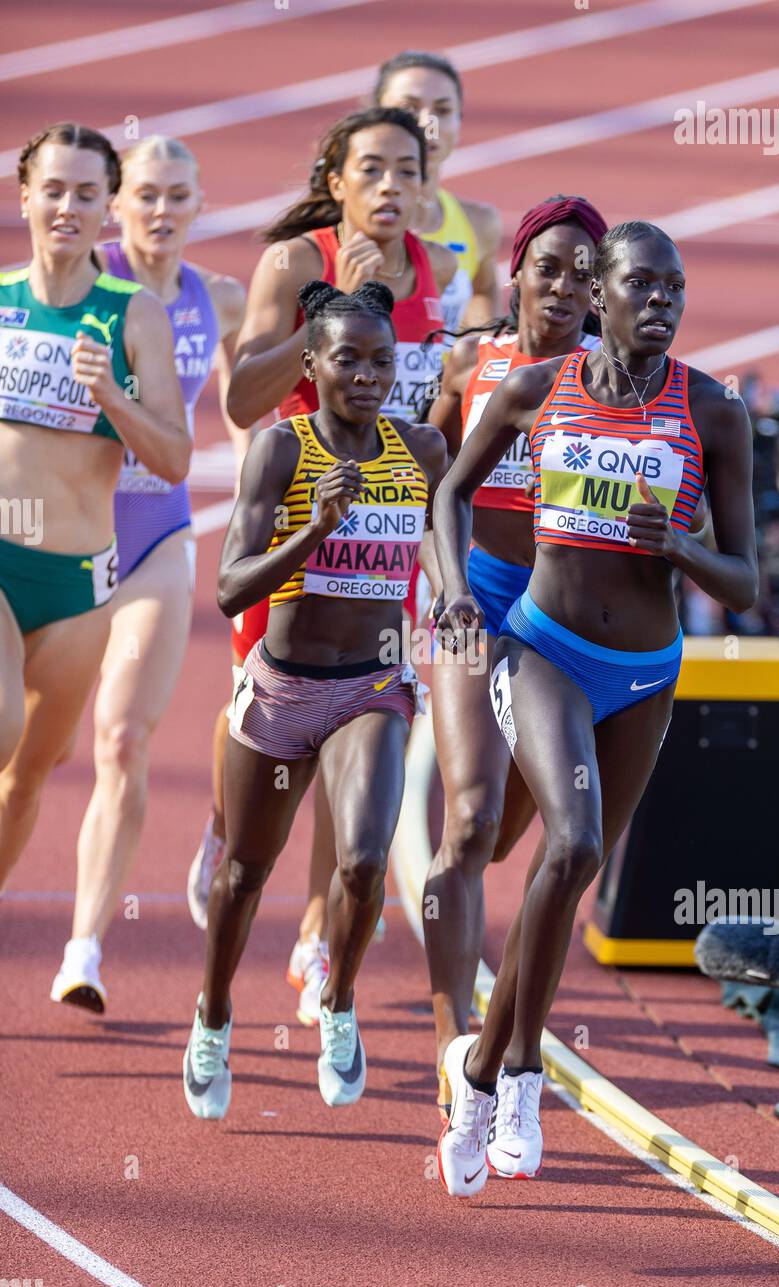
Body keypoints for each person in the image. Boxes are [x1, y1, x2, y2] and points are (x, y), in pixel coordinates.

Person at [433, 221, 758, 1196]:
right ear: (601, 296)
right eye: (641, 285)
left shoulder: (711, 410)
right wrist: (453, 594)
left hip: (645, 671)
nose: (659, 302)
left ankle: (481, 1065)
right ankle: (524, 1070)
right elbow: (448, 489)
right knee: (566, 844)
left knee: (572, 874)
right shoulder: (540, 389)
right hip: (539, 647)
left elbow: (743, 581)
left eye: (675, 288)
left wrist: (682, 550)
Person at [186, 107, 453, 1027]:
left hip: (380, 536)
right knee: (276, 739)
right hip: (298, 532)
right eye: (369, 170)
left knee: (359, 739)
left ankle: (313, 928)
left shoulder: (443, 272)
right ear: (335, 181)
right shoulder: (296, 262)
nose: (389, 187)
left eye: (405, 171)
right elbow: (241, 397)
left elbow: (439, 406)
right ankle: (231, 833)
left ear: (426, 182)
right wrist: (327, 310)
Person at [48, 135, 250, 1011]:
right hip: (60, 538)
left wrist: (257, 480)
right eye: (145, 196)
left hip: (156, 539)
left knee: (122, 741)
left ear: (201, 203)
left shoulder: (224, 298)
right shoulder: (78, 291)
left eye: (178, 195)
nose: (161, 211)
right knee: (33, 748)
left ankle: (83, 949)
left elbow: (246, 404)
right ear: (115, 206)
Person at [422, 195, 607, 1117]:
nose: (567, 284)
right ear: (518, 271)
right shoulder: (472, 361)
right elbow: (435, 486)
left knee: (510, 840)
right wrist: (449, 584)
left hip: (561, 618)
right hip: (483, 596)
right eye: (551, 266)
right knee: (467, 824)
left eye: (587, 272)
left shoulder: (619, 383)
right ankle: (459, 1039)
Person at [0, 124, 189, 943]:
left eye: (85, 193)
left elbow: (175, 458)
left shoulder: (132, 313)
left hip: (78, 584)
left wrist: (112, 394)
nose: (67, 207)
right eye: (53, 189)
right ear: (25, 197)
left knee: (26, 776)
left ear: (107, 206)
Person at [372, 50, 501, 334]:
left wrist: (473, 362)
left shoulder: (479, 224)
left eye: (442, 111)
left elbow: (484, 293)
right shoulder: (339, 228)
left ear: (459, 121)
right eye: (409, 108)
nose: (428, 123)